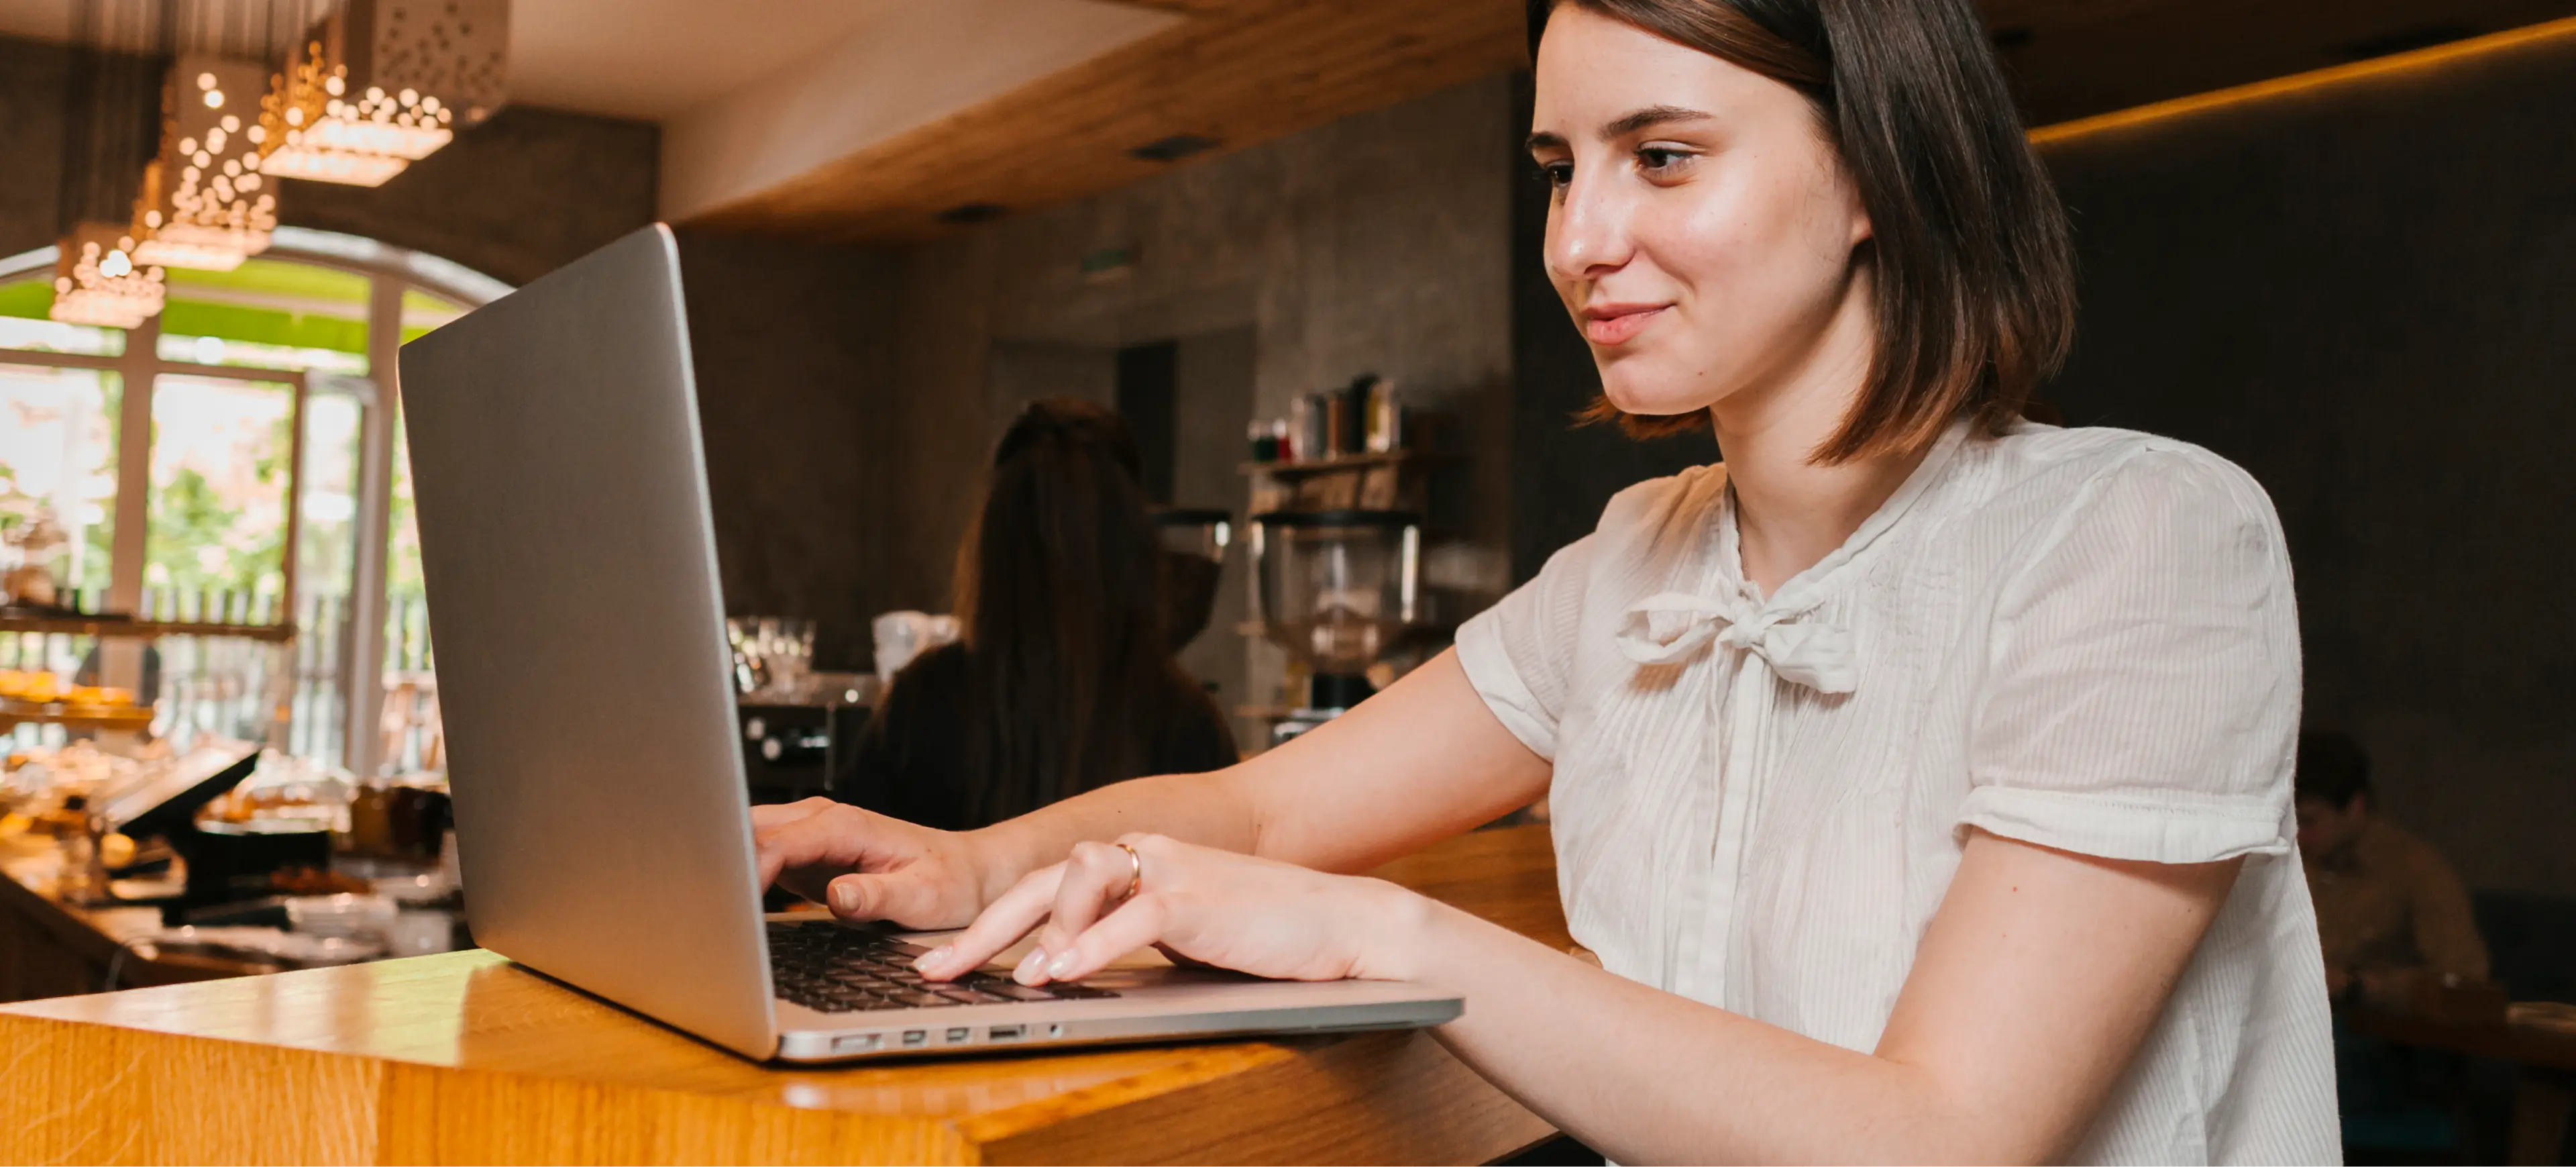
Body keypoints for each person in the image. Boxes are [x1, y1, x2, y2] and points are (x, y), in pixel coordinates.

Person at [757, 1, 2337, 1162]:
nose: (1580, 237)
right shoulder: (1638, 556)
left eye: (1660, 157)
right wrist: (972, 872)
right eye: (1557, 166)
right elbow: (1269, 809)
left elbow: (1938, 1138)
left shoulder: (2139, 538)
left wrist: (1385, 938)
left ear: (1877, 178)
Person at [841, 398, 1236, 831]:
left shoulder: (923, 700)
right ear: (1136, 549)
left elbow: (851, 856)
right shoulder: (1188, 722)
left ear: (992, 547)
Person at [2296, 730, 2489, 1002]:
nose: (2299, 836)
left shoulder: (2414, 869)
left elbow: (2464, 976)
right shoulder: (2295, 862)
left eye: (2310, 821)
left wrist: (2361, 985)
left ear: (2354, 807)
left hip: (2368, 1029)